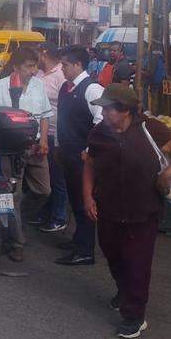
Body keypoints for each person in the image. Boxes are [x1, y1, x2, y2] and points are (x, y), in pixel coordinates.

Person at [83, 83, 171, 339]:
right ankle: (124, 290)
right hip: (108, 207)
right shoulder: (100, 133)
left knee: (137, 263)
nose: (104, 114)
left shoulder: (150, 128)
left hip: (143, 210)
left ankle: (134, 315)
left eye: (109, 109)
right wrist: (87, 197)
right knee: (112, 254)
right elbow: (89, 163)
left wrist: (168, 173)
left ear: (126, 111)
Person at [0, 47, 52, 262]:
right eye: (28, 66)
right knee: (11, 195)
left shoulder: (38, 85)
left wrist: (43, 140)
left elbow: (44, 115)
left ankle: (16, 220)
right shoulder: (0, 86)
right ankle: (16, 242)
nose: (33, 71)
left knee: (43, 191)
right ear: (16, 67)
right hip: (10, 150)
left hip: (34, 147)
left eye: (35, 66)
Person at [56, 45, 104, 266]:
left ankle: (85, 250)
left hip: (83, 158)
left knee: (85, 201)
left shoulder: (91, 89)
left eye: (65, 65)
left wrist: (89, 151)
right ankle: (78, 239)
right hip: (67, 152)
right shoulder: (66, 88)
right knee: (74, 200)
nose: (62, 68)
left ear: (78, 65)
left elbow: (102, 122)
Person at [34, 44, 69, 234]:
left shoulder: (61, 76)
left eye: (35, 56)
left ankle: (58, 217)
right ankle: (44, 214)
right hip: (41, 133)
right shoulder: (39, 75)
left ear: (44, 53)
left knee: (57, 179)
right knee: (43, 178)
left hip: (56, 134)